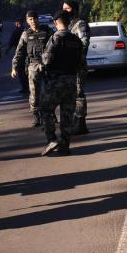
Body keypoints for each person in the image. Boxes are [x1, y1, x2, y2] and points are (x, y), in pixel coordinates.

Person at [40, 10, 83, 156]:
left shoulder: (54, 39)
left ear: (55, 23)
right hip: (71, 82)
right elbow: (82, 63)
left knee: (45, 109)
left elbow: (46, 61)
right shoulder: (77, 41)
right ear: (69, 22)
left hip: (55, 82)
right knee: (67, 115)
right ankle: (65, 146)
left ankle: (52, 139)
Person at [11, 11, 53, 127]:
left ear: (37, 19)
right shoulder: (26, 34)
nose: (33, 21)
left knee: (49, 91)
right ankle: (36, 115)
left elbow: (56, 46)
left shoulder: (47, 31)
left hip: (47, 66)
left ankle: (50, 114)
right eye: (30, 19)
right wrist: (14, 67)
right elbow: (18, 52)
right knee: (34, 92)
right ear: (27, 21)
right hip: (33, 66)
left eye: (34, 18)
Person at [63, 0, 90, 135]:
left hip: (78, 65)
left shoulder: (80, 24)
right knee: (70, 94)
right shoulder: (67, 25)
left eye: (67, 8)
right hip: (68, 66)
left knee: (79, 93)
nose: (65, 11)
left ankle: (80, 123)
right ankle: (74, 119)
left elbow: (84, 43)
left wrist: (71, 52)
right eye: (63, 8)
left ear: (74, 9)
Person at [6, 18, 28, 94]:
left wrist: (8, 49)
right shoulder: (26, 30)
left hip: (21, 54)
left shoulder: (17, 31)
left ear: (18, 23)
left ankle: (25, 87)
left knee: (21, 71)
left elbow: (12, 41)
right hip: (27, 53)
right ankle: (27, 86)